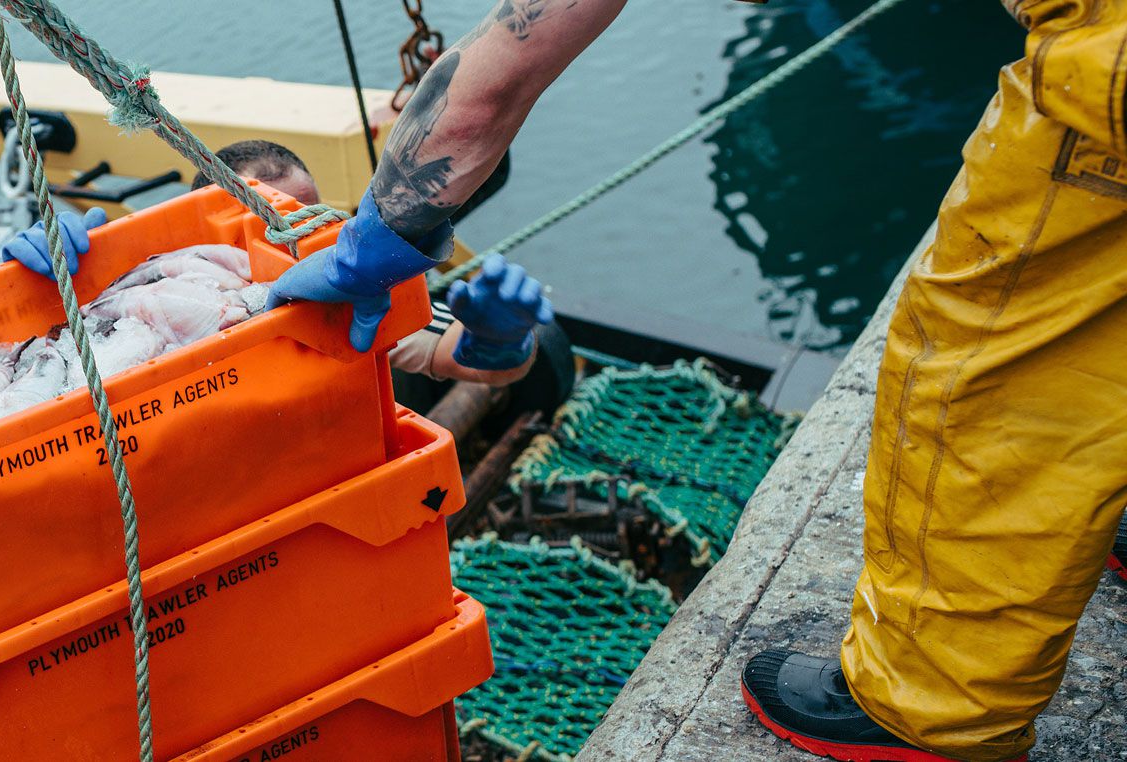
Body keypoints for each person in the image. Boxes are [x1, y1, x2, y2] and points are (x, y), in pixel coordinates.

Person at [179, 2, 1119, 761]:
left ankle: (933, 704)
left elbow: (455, 342)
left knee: (995, 369)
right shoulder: (173, 316)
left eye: (305, 222)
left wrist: (491, 336)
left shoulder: (357, 322)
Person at [2, 138, 555, 387]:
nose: (294, 242)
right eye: (268, 227)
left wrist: (498, 341)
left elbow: (457, 360)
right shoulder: (150, 284)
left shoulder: (349, 299)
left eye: (308, 221)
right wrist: (29, 286)